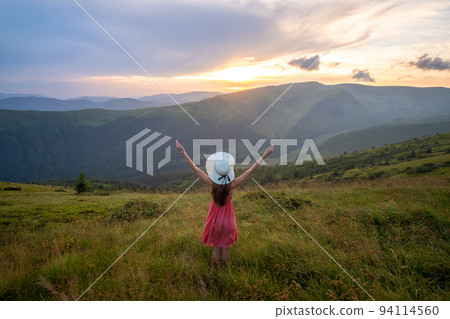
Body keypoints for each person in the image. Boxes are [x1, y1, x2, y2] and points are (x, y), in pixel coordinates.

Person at [176, 140, 274, 269]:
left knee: (216, 249)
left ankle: (215, 272)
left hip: (214, 222)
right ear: (228, 171)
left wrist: (182, 151)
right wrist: (265, 155)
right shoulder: (233, 184)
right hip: (228, 222)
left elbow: (194, 167)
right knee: (226, 249)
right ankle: (225, 272)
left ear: (216, 172)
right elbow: (250, 170)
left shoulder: (212, 184)